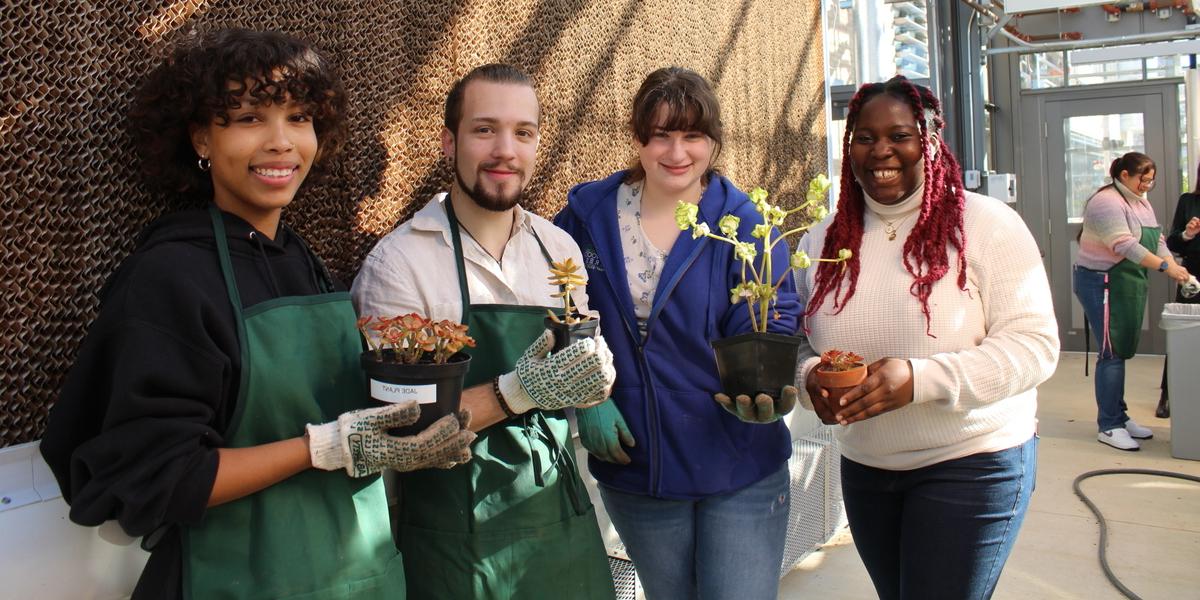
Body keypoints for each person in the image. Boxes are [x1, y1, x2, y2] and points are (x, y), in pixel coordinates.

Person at [38, 29, 476, 600]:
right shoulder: (169, 278)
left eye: (298, 118)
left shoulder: (306, 264)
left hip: (361, 575)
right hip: (238, 578)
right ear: (201, 138)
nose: (281, 142)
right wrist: (326, 448)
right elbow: (158, 478)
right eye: (248, 118)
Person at [351, 63, 618, 599]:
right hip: (454, 532)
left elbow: (578, 360)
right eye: (484, 130)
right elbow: (399, 428)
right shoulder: (400, 263)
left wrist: (595, 385)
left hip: (557, 513)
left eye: (523, 132)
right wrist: (519, 391)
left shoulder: (557, 250)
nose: (505, 150)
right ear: (448, 143)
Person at [795, 75, 1059, 600]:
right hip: (866, 465)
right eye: (864, 138)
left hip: (972, 462)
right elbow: (800, 341)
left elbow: (1035, 346)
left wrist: (920, 379)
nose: (881, 151)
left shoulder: (987, 225)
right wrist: (809, 380)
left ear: (930, 140)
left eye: (900, 135)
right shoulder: (825, 237)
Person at [553, 67, 800, 600]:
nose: (677, 151)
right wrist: (586, 397)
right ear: (638, 138)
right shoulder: (587, 217)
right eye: (661, 134)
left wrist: (760, 384)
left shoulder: (744, 222)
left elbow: (775, 313)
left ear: (713, 141)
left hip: (738, 458)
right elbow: (554, 304)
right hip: (637, 464)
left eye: (692, 135)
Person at [1074, 152, 1189, 450]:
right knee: (1111, 352)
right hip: (1101, 282)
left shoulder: (1141, 202)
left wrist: (1174, 265)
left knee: (1121, 349)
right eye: (1143, 179)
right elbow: (1124, 244)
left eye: (1152, 181)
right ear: (1124, 175)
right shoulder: (1106, 202)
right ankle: (1108, 425)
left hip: (1125, 282)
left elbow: (1157, 239)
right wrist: (1165, 267)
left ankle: (1120, 416)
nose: (1147, 186)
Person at [1157, 162, 1200, 417]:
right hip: (1194, 274)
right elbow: (1173, 243)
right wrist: (1188, 234)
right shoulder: (1188, 201)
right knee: (1183, 334)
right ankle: (1168, 394)